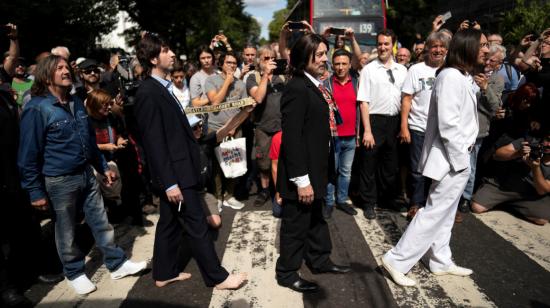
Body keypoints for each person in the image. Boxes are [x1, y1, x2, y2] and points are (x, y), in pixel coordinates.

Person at [18, 54, 147, 295]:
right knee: (66, 230)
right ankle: (74, 272)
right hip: (59, 180)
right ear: (46, 75)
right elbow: (27, 155)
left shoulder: (77, 102)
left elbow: (87, 140)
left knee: (101, 221)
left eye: (67, 67)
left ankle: (116, 263)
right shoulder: (37, 108)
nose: (66, 71)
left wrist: (102, 167)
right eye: (60, 68)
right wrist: (35, 191)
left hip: (86, 174)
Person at [133, 33, 246, 289]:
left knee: (169, 224)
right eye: (166, 50)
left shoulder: (162, 88)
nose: (173, 54)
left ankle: (163, 273)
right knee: (196, 225)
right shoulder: (149, 93)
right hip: (176, 174)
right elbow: (154, 144)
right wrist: (170, 182)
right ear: (153, 58)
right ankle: (218, 278)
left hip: (179, 168)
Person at [380, 29, 490, 287]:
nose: (485, 50)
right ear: (468, 48)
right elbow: (448, 124)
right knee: (433, 212)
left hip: (457, 157)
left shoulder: (460, 75)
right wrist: (461, 159)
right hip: (453, 159)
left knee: (446, 212)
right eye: (481, 45)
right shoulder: (451, 76)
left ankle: (440, 260)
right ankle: (397, 260)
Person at [276, 33, 351, 294]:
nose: (324, 59)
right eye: (318, 54)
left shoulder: (314, 84)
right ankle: (286, 272)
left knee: (317, 220)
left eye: (325, 53)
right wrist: (302, 180)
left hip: (316, 169)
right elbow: (292, 139)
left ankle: (319, 260)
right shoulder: (296, 88)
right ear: (302, 57)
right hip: (302, 174)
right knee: (296, 225)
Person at [357, 29, 408, 219]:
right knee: (369, 163)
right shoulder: (369, 69)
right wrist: (367, 131)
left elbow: (406, 99)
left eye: (386, 43)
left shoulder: (402, 70)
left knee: (391, 164)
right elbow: (363, 101)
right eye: (379, 44)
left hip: (394, 122)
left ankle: (387, 199)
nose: (382, 47)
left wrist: (403, 126)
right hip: (374, 121)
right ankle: (369, 202)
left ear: (393, 45)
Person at [399, 31, 450, 221]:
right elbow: (406, 99)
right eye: (434, 46)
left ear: (446, 50)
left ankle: (433, 206)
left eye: (441, 46)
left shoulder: (451, 70)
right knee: (417, 169)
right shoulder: (416, 70)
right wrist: (404, 126)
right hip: (418, 127)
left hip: (442, 130)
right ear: (428, 48)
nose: (437, 50)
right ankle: (416, 203)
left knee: (438, 169)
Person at [205, 52, 248, 210]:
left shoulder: (241, 85)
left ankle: (229, 195)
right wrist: (228, 82)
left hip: (235, 129)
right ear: (221, 64)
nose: (232, 65)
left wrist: (234, 127)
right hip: (215, 129)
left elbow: (246, 110)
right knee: (216, 166)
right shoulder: (211, 80)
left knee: (234, 163)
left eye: (234, 63)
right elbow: (215, 102)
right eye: (228, 62)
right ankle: (217, 196)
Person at [322, 47, 361, 218]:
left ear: (349, 64)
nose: (340, 67)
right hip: (333, 137)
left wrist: (359, 133)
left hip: (351, 136)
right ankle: (329, 202)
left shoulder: (357, 83)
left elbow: (361, 107)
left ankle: (342, 200)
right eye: (337, 63)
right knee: (332, 170)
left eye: (344, 63)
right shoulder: (326, 85)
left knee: (346, 172)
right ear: (332, 65)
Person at [246, 45, 284, 207]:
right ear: (258, 61)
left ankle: (280, 190)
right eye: (265, 59)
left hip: (281, 127)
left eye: (272, 58)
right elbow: (259, 98)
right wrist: (265, 76)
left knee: (283, 161)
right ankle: (264, 190)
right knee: (264, 164)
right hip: (262, 127)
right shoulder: (252, 77)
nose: (269, 62)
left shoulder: (282, 77)